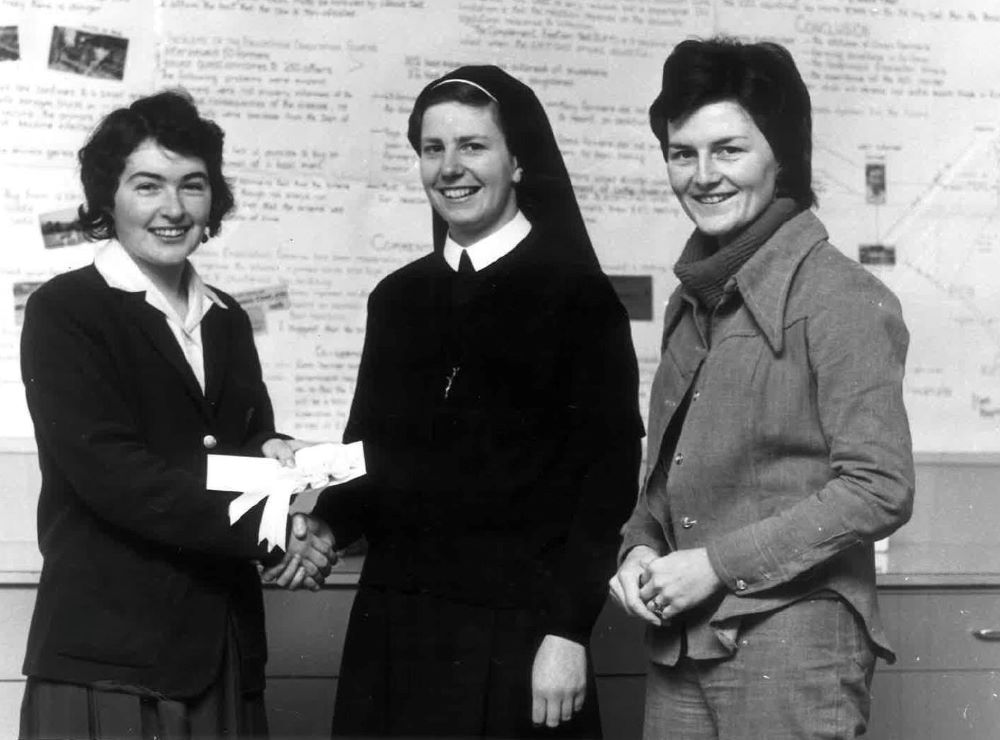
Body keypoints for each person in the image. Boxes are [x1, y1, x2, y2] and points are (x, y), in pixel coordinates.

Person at [311, 65, 643, 737]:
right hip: (396, 625)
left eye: (473, 146)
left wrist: (568, 632)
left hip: (521, 634)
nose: (450, 168)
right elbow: (367, 453)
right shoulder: (398, 298)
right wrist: (324, 527)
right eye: (433, 149)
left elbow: (605, 485)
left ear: (519, 161)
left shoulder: (579, 298)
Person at [609, 38, 914, 739]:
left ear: (782, 156)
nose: (702, 175)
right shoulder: (693, 301)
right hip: (680, 644)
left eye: (728, 150)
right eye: (682, 153)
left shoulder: (841, 295)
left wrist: (716, 565)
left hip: (795, 649)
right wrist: (637, 551)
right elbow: (665, 480)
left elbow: (880, 486)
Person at [18, 90, 335, 740]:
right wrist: (274, 531)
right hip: (112, 657)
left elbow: (237, 449)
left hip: (220, 645)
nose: (173, 209)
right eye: (147, 185)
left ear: (212, 199)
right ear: (108, 196)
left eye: (192, 186)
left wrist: (276, 458)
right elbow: (114, 475)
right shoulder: (66, 311)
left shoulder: (225, 317)